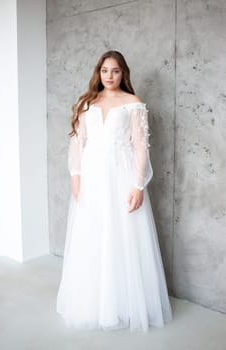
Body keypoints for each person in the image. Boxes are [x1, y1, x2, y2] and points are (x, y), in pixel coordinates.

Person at [56, 50, 172, 332]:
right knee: (93, 236)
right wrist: (76, 177)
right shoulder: (88, 103)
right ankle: (95, 302)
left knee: (123, 236)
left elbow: (140, 146)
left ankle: (123, 303)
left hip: (121, 175)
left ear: (123, 74)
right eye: (105, 70)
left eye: (116, 71)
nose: (110, 76)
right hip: (93, 177)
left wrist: (138, 184)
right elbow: (77, 143)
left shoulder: (133, 104)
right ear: (99, 72)